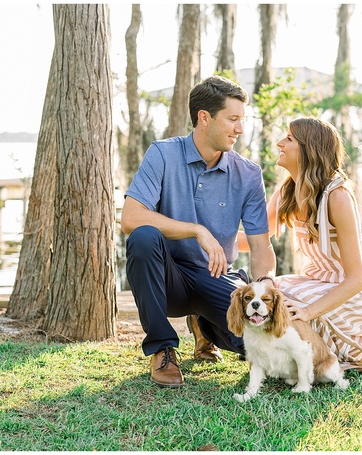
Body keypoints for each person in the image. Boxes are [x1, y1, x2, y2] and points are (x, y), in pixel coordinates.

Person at [121, 76, 276, 388]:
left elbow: (261, 247)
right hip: (168, 282)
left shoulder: (248, 174)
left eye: (241, 120)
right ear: (204, 118)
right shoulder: (163, 154)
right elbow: (130, 218)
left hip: (217, 275)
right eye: (232, 119)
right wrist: (196, 230)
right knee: (142, 236)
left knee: (260, 349)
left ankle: (205, 325)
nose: (240, 129)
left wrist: (266, 293)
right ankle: (163, 348)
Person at [268, 117, 362, 371]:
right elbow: (256, 237)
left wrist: (308, 311)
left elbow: (355, 279)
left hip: (360, 290)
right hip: (321, 281)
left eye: (289, 139)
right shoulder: (287, 191)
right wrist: (205, 241)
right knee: (270, 291)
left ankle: (313, 354)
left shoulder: (337, 197)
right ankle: (288, 352)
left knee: (290, 300)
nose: (280, 143)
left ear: (308, 149)